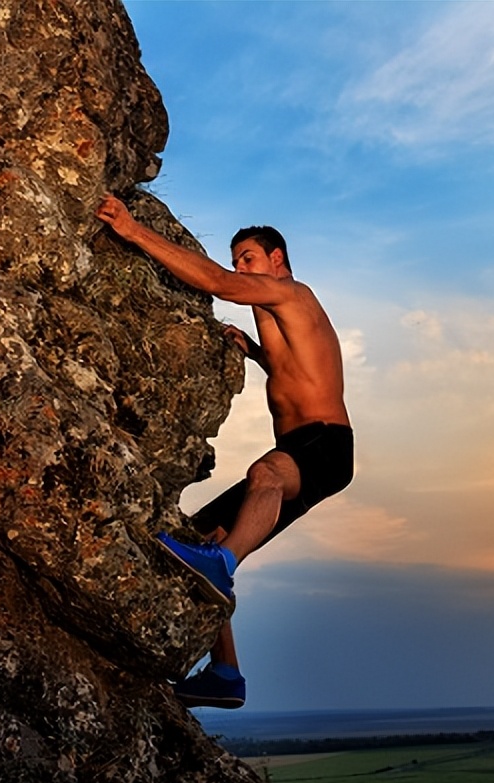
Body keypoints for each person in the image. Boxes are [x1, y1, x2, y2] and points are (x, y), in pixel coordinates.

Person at [95, 194, 353, 709]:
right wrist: (256, 352)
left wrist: (132, 230)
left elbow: (216, 283)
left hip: (325, 444)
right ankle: (226, 673)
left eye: (249, 260)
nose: (241, 269)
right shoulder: (277, 314)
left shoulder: (294, 295)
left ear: (277, 259)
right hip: (300, 447)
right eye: (237, 261)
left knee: (265, 474)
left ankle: (225, 561)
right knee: (197, 539)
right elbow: (296, 369)